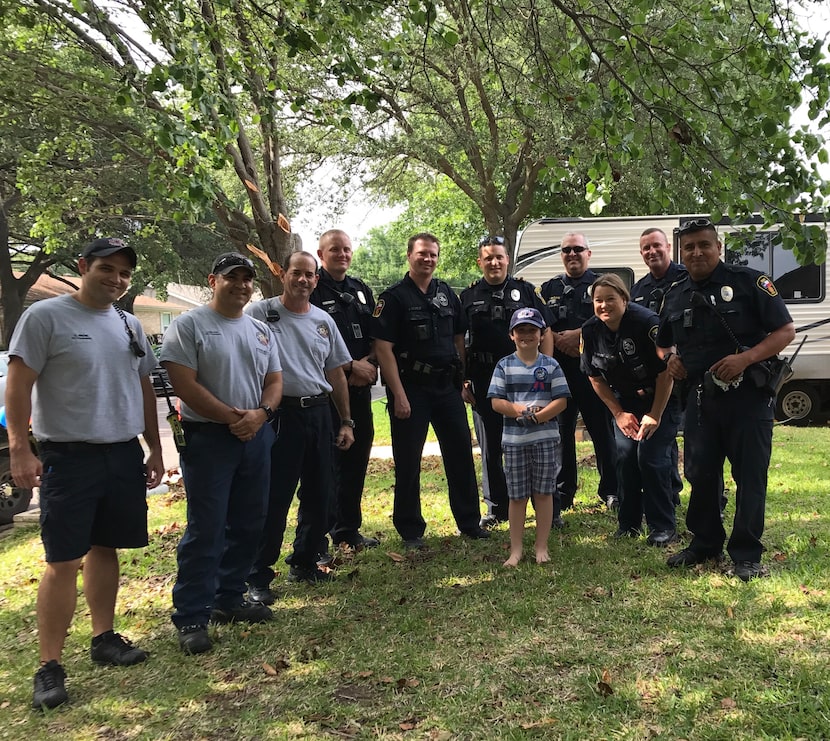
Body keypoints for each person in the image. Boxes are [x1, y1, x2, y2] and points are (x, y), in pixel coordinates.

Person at [6, 237, 163, 710]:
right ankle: (49, 665)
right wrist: (20, 448)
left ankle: (103, 638)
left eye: (124, 274)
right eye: (107, 269)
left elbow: (144, 389)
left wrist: (155, 448)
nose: (116, 279)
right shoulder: (45, 317)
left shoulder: (128, 323)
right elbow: (18, 385)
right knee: (61, 560)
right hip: (67, 457)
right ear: (83, 266)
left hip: (120, 454)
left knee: (106, 547)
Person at [656, 218, 795, 581]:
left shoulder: (749, 283)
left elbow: (785, 330)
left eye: (704, 245)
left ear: (719, 247)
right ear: (681, 253)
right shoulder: (675, 293)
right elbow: (664, 345)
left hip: (747, 397)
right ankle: (705, 543)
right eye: (689, 247)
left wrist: (745, 358)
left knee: (749, 476)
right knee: (700, 473)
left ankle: (747, 553)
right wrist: (671, 360)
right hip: (701, 401)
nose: (697, 252)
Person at [161, 252, 282, 655]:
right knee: (207, 527)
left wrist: (260, 415)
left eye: (248, 279)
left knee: (250, 522)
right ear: (213, 280)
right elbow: (184, 384)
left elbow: (275, 380)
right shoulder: (189, 325)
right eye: (233, 277)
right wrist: (236, 418)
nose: (242, 285)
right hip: (209, 438)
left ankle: (229, 598)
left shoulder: (260, 330)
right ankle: (192, 614)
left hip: (255, 436)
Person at [247, 251, 354, 599]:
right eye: (297, 273)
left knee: (320, 492)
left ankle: (305, 561)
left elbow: (336, 372)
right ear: (284, 275)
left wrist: (346, 421)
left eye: (310, 275)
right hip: (281, 415)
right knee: (274, 496)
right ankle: (258, 575)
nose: (304, 280)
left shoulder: (324, 321)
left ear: (315, 279)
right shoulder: (260, 314)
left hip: (319, 412)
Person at [372, 232, 489, 549]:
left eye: (433, 254)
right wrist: (397, 394)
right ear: (409, 255)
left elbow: (457, 338)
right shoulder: (394, 298)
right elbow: (383, 348)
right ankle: (410, 530)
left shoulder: (446, 294)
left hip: (447, 388)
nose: (428, 259)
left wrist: (463, 380)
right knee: (409, 461)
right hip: (412, 388)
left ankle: (469, 522)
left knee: (461, 455)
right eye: (422, 253)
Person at [460, 236, 554, 528]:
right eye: (488, 258)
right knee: (491, 445)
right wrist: (463, 379)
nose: (494, 262)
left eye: (499, 257)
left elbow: (547, 331)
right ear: (480, 262)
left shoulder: (525, 291)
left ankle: (546, 506)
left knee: (536, 441)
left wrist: (546, 370)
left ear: (507, 260)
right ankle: (497, 507)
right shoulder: (468, 296)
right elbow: (459, 342)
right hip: (485, 378)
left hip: (526, 378)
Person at [580, 274, 680, 546]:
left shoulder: (646, 323)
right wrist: (618, 413)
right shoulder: (590, 331)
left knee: (650, 456)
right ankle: (629, 524)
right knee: (624, 459)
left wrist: (655, 415)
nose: (604, 305)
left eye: (610, 299)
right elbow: (594, 377)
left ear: (624, 299)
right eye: (598, 300)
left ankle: (663, 526)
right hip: (626, 404)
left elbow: (665, 374)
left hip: (662, 398)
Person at [310, 230, 379, 552]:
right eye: (334, 249)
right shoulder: (310, 289)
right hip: (325, 394)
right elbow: (309, 344)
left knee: (356, 462)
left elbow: (378, 337)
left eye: (347, 249)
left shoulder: (361, 290)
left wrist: (366, 366)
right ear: (321, 254)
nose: (342, 254)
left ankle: (347, 530)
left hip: (360, 391)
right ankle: (318, 535)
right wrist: (350, 367)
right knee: (326, 465)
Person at [540, 233, 619, 510]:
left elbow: (608, 318)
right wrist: (561, 340)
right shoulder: (549, 288)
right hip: (561, 371)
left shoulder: (601, 285)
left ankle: (612, 490)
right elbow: (544, 326)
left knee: (602, 431)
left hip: (594, 371)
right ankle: (564, 493)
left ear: (589, 253)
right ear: (561, 255)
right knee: (562, 433)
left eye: (578, 249)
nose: (572, 254)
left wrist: (579, 336)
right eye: (567, 250)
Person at [487, 308, 570, 566]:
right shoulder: (504, 365)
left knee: (544, 493)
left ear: (541, 333)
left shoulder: (551, 364)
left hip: (545, 439)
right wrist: (521, 410)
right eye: (520, 330)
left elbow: (562, 401)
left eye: (532, 330)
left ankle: (541, 546)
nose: (526, 335)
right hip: (514, 442)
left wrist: (541, 416)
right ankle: (516, 549)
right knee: (517, 496)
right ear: (512, 335)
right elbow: (496, 402)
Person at [631, 227, 687, 504]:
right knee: (663, 436)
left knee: (702, 444)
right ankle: (671, 493)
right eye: (646, 248)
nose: (651, 252)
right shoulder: (638, 289)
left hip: (689, 373)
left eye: (656, 246)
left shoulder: (687, 279)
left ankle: (714, 503)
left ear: (668, 246)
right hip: (655, 377)